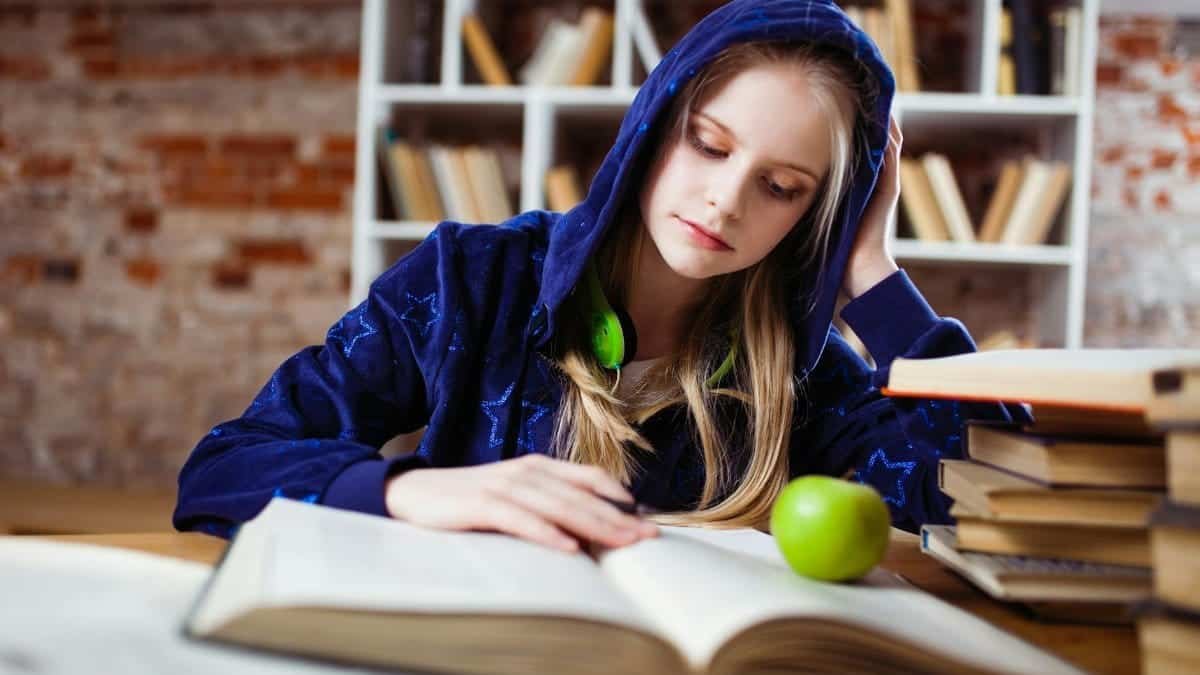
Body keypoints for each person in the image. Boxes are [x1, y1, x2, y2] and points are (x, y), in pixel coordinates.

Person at [174, 0, 1025, 552]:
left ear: (816, 218)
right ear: (653, 128)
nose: (725, 202)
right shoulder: (471, 280)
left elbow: (1006, 499)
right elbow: (227, 466)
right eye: (709, 145)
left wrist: (872, 271)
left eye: (781, 188)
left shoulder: (800, 372)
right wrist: (413, 491)